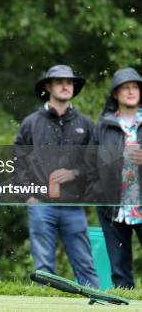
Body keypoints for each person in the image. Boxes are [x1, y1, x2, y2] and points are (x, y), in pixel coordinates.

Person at [14, 64, 99, 288]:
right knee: (44, 269)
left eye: (69, 82)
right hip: (41, 205)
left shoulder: (86, 124)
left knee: (85, 265)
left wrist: (75, 173)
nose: (66, 86)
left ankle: (97, 305)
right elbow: (17, 163)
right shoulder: (31, 123)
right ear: (48, 87)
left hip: (74, 207)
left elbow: (95, 163)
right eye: (60, 82)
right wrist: (28, 196)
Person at [87, 67, 142, 289]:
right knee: (119, 272)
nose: (130, 91)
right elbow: (89, 164)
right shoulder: (103, 126)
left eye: (135, 87)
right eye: (125, 88)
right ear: (115, 94)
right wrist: (98, 193)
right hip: (113, 209)